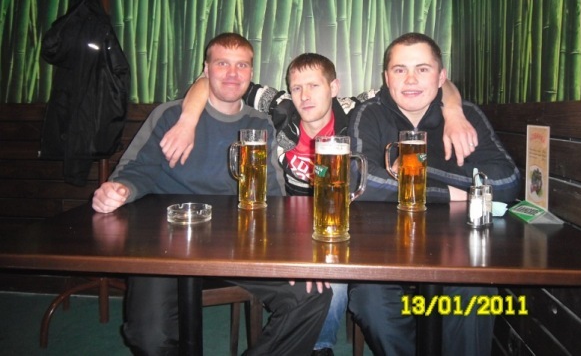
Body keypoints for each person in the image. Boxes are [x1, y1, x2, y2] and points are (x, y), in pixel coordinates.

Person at [159, 53, 478, 356]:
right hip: (291, 224)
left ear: (334, 87)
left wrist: (454, 112)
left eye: (314, 85)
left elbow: (428, 85)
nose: (305, 96)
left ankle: (319, 345)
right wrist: (187, 120)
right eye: (297, 87)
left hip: (346, 222)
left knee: (331, 274)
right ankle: (317, 344)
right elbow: (212, 79)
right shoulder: (281, 106)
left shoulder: (355, 109)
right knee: (319, 276)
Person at [92, 33, 332, 356]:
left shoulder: (261, 123)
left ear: (251, 72)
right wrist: (121, 189)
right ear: (206, 70)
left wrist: (293, 250)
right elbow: (137, 169)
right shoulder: (170, 116)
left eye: (242, 65)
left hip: (239, 245)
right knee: (149, 335)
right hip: (166, 245)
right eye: (222, 64)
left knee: (312, 295)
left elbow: (274, 196)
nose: (233, 73)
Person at [347, 32, 521, 356]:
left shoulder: (465, 114)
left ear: (441, 77)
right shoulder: (368, 114)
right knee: (369, 301)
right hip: (382, 247)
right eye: (400, 69)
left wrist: (415, 170)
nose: (410, 79)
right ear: (386, 77)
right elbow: (359, 179)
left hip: (457, 247)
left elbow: (508, 182)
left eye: (423, 69)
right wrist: (454, 193)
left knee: (475, 294)